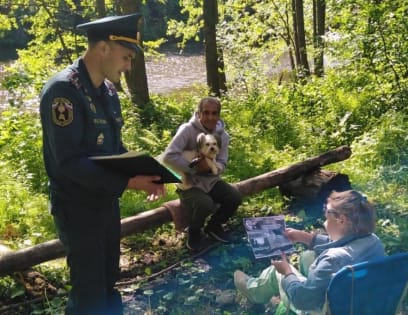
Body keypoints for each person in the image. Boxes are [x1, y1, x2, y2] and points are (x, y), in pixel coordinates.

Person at [39, 13, 165, 315]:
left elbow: (113, 150)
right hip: (77, 209)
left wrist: (146, 170)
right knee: (89, 291)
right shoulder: (63, 93)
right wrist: (129, 182)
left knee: (109, 279)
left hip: (106, 204)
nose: (128, 66)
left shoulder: (108, 92)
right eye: (125, 57)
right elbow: (70, 163)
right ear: (104, 48)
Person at [234, 190, 385, 314]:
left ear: (342, 220)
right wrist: (306, 238)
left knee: (277, 272)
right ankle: (308, 283)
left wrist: (287, 273)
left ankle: (253, 291)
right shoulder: (374, 241)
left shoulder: (332, 259)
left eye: (327, 213)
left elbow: (303, 301)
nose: (324, 219)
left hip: (322, 309)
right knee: (307, 256)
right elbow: (346, 246)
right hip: (361, 302)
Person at [162, 97, 242, 251]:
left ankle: (214, 226)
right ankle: (194, 233)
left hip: (211, 181)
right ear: (199, 114)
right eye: (206, 113)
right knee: (204, 203)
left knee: (234, 197)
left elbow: (223, 161)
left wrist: (214, 168)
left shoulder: (223, 136)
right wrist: (195, 168)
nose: (210, 117)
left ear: (219, 115)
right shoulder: (187, 130)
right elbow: (168, 157)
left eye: (214, 113)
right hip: (188, 182)